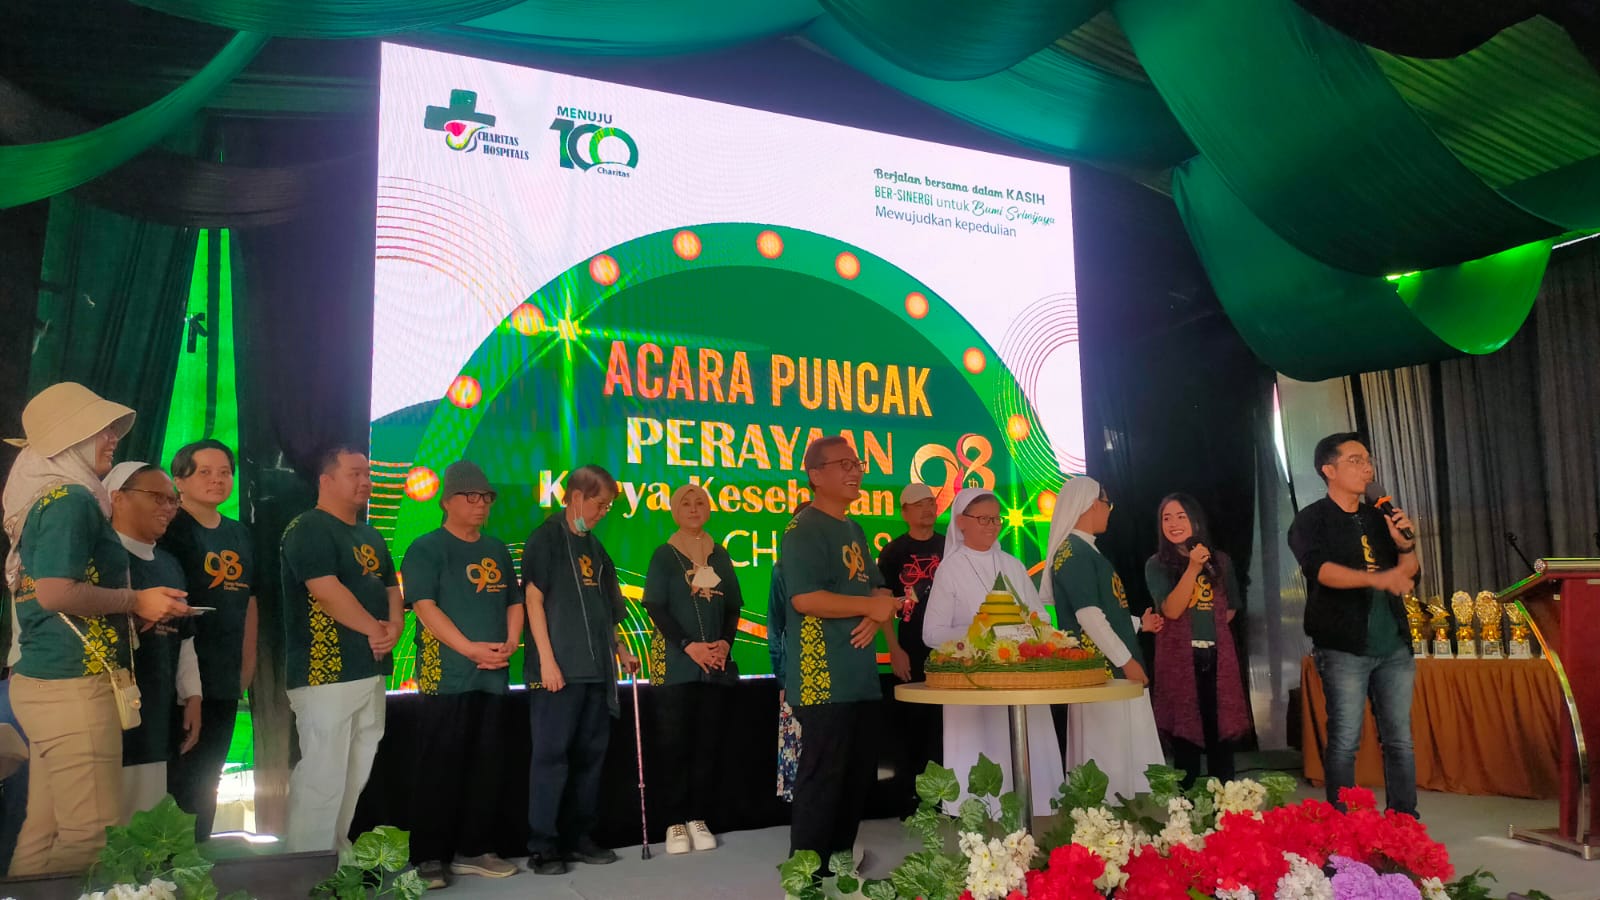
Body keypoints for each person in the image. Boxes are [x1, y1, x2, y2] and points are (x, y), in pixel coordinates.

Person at [1, 383, 191, 876]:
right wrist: (136, 599)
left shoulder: (50, 497)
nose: (112, 438)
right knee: (90, 837)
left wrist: (133, 612)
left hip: (48, 681)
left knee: (43, 832)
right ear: (69, 438)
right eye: (100, 430)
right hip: (70, 685)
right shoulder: (70, 500)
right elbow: (55, 593)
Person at [400, 461, 522, 887]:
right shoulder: (426, 548)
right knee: (440, 765)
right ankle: (429, 857)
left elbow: (514, 601)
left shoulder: (497, 549)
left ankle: (475, 849)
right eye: (470, 496)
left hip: (493, 674)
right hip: (447, 676)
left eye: (486, 497)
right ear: (446, 501)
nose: (480, 504)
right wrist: (469, 649)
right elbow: (424, 607)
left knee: (487, 764)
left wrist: (511, 641)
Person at [780, 436, 897, 878]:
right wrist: (870, 607)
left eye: (857, 463)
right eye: (843, 464)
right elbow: (805, 599)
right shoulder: (803, 529)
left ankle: (839, 862)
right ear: (815, 475)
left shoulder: (854, 529)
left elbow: (876, 589)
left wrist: (876, 611)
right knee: (823, 776)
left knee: (856, 774)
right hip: (822, 675)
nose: (855, 471)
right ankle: (804, 873)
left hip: (860, 673)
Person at [1288, 433, 1419, 817]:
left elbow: (1410, 575)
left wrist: (1405, 545)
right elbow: (1320, 571)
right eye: (1355, 460)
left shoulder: (1379, 517)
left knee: (1400, 740)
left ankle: (1404, 821)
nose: (1367, 468)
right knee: (1345, 741)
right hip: (1343, 646)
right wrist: (1376, 579)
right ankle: (1342, 824)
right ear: (1328, 470)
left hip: (1393, 645)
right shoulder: (1311, 520)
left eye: (1368, 460)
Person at [279, 445, 403, 852]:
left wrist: (395, 627)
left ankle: (334, 857)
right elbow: (326, 591)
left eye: (367, 473)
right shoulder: (308, 527)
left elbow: (391, 588)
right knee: (323, 774)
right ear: (326, 480)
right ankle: (305, 867)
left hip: (369, 669)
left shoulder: (370, 534)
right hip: (324, 672)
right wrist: (375, 629)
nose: (365, 481)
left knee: (354, 772)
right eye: (355, 473)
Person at [521, 465, 640, 875]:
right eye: (599, 504)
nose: (603, 512)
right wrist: (547, 661)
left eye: (607, 506)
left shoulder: (595, 547)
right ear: (576, 496)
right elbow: (533, 601)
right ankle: (544, 845)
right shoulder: (545, 538)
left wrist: (620, 649)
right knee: (551, 757)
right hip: (557, 670)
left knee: (591, 756)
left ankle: (580, 837)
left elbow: (605, 609)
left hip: (596, 670)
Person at [922, 488, 1064, 810]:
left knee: (1029, 766)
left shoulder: (1012, 565)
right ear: (961, 522)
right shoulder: (950, 569)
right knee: (985, 773)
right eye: (984, 519)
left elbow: (1041, 617)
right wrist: (984, 632)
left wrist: (1021, 630)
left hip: (1020, 679)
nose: (992, 526)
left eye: (996, 519)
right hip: (975, 683)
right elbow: (932, 633)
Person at [1041, 476, 1165, 800]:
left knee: (1117, 752)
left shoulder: (1083, 550)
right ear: (1092, 504)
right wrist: (1127, 661)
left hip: (1105, 670)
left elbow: (1104, 612)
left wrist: (1138, 624)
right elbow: (1089, 618)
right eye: (1107, 504)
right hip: (1104, 672)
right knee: (1109, 757)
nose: (1109, 511)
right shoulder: (1075, 552)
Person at [161, 439, 256, 841]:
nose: (218, 480)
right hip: (177, 675)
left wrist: (247, 666)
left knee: (208, 778)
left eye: (225, 472)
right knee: (177, 777)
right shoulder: (169, 530)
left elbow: (250, 601)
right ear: (179, 480)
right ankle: (166, 866)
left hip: (225, 674)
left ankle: (197, 859)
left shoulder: (239, 533)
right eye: (205, 472)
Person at [642, 483, 743, 855]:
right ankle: (674, 822)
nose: (694, 508)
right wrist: (689, 645)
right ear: (674, 511)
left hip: (713, 666)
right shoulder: (664, 555)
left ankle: (698, 818)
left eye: (700, 501)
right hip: (675, 666)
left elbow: (732, 607)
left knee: (706, 744)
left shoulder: (719, 555)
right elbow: (655, 607)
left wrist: (725, 643)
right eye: (686, 503)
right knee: (674, 746)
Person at [105, 462, 202, 822]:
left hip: (157, 710)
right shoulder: (102, 557)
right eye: (156, 497)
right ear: (117, 498)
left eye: (172, 500)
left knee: (146, 820)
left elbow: (184, 639)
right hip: (108, 710)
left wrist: (192, 696)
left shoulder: (169, 564)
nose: (167, 507)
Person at [1144, 494, 1250, 789]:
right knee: (1185, 737)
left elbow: (1230, 609)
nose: (1173, 523)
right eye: (1166, 518)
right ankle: (1185, 807)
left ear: (1196, 521)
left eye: (1181, 516)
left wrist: (1210, 631)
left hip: (1217, 657)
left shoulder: (1220, 561)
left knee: (1222, 734)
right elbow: (1171, 610)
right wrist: (1192, 569)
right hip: (1180, 661)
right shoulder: (1157, 564)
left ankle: (1225, 805)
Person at [875, 483, 942, 806]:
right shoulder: (893, 552)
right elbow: (883, 606)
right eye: (919, 504)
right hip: (910, 649)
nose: (927, 509)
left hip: (949, 651)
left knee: (946, 723)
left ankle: (948, 796)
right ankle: (912, 797)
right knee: (913, 722)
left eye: (931, 502)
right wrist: (894, 649)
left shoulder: (950, 546)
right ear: (904, 512)